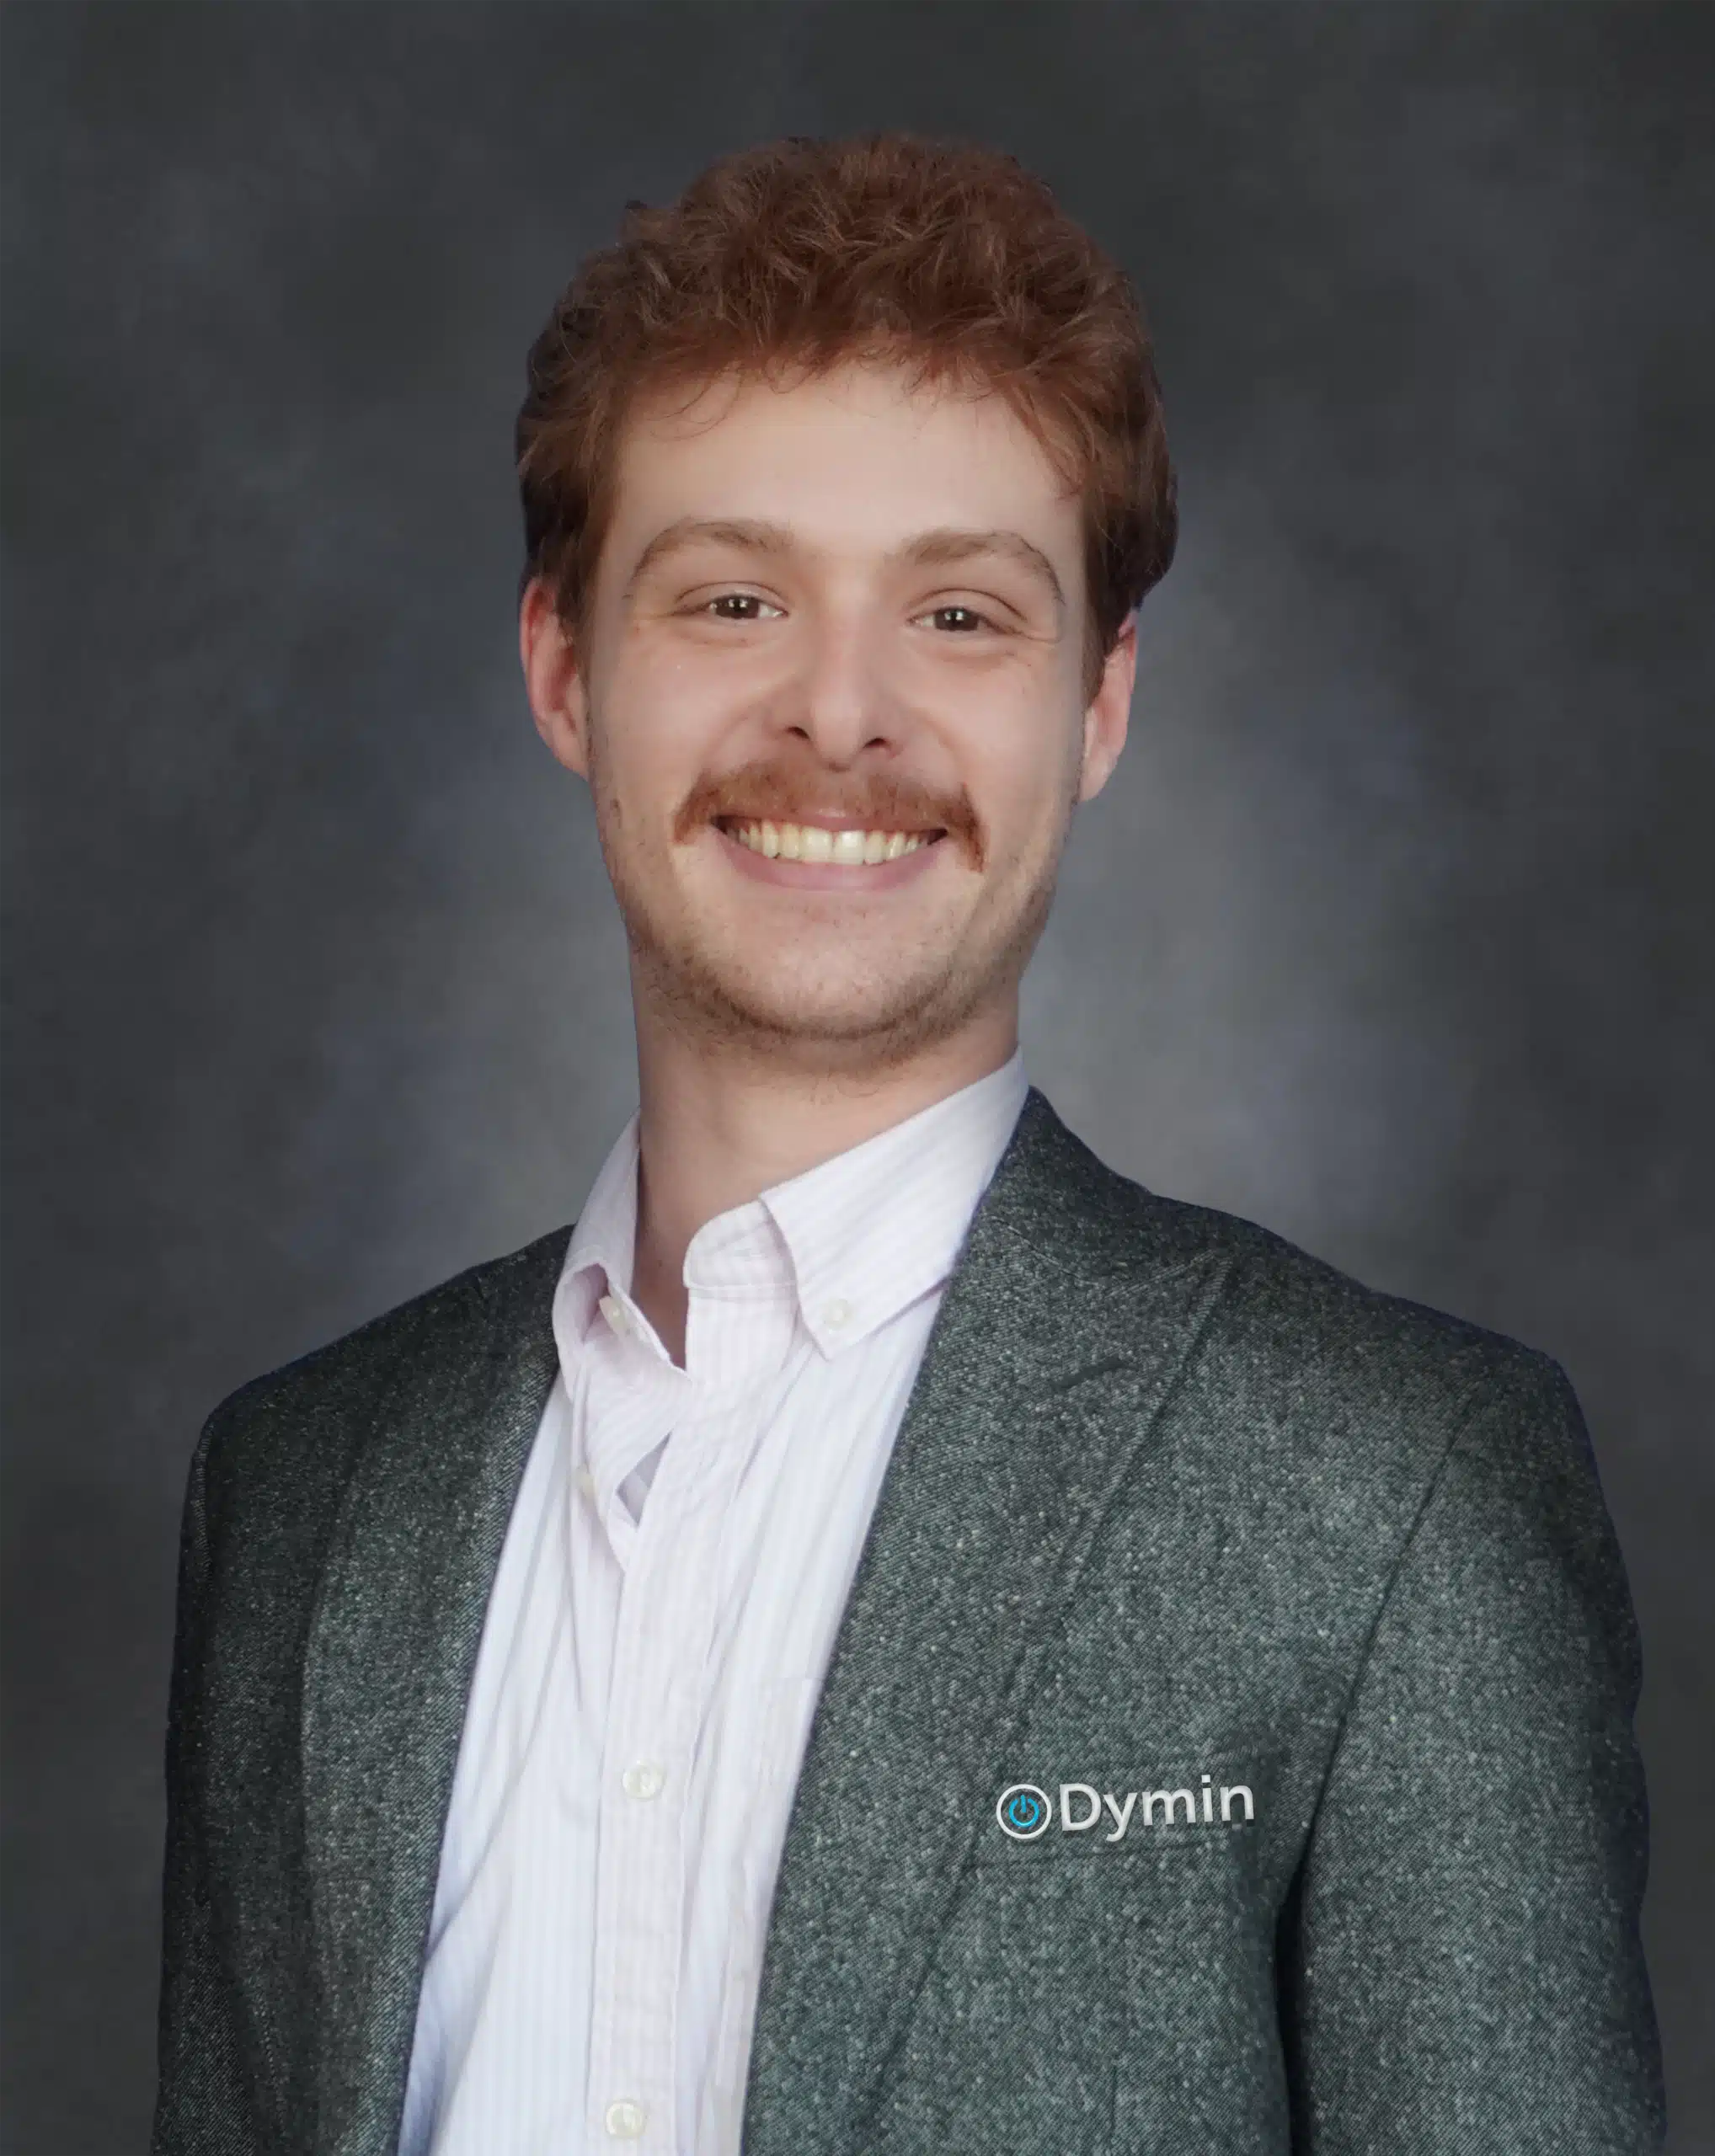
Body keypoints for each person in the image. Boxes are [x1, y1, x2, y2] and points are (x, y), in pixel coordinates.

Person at [152, 133, 1664, 2155]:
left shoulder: (1388, 1496)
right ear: (563, 670)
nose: (839, 714)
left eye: (958, 613)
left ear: (1097, 707)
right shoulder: (301, 1496)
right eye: (734, 595)